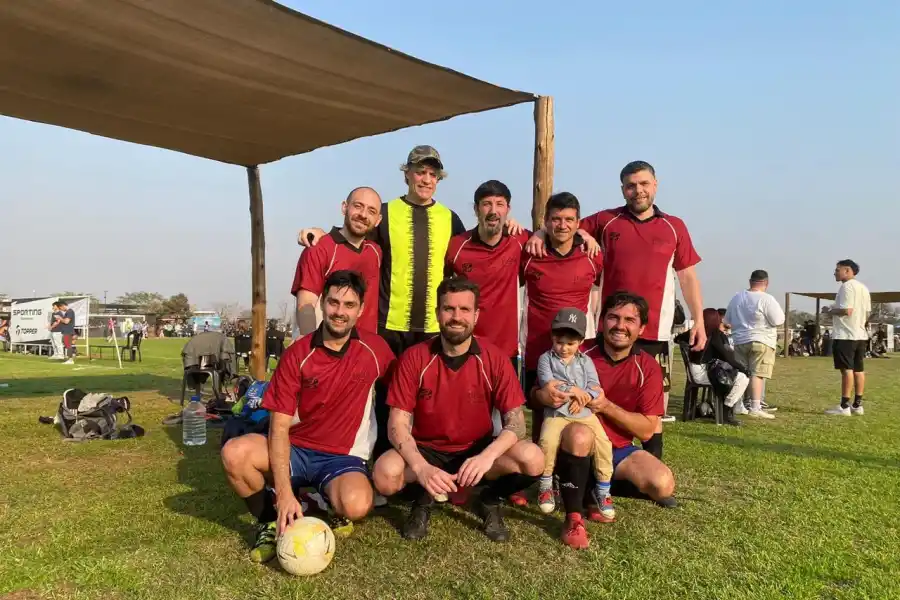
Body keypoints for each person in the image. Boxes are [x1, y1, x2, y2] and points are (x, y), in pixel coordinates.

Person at [220, 271, 395, 563]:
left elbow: (405, 388)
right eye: (334, 302)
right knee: (235, 454)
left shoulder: (375, 350)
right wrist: (284, 495)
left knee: (357, 504)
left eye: (349, 305)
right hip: (296, 448)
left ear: (361, 310)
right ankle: (269, 519)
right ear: (322, 304)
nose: (340, 312)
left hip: (343, 456)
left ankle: (324, 501)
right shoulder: (297, 354)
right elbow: (278, 428)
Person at [528, 160, 705, 435]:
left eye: (644, 184)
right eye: (631, 186)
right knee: (599, 398)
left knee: (653, 406)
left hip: (654, 332)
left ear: (655, 185)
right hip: (610, 331)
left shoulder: (674, 226)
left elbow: (688, 277)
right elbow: (564, 224)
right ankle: (596, 459)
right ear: (623, 190)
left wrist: (700, 322)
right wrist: (540, 232)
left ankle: (648, 460)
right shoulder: (606, 220)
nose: (638, 191)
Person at [299, 146, 524, 358]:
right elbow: (355, 235)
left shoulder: (450, 218)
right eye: (420, 172)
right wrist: (322, 232)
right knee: (387, 397)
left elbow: (475, 249)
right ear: (407, 174)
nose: (426, 179)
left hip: (434, 328)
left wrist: (507, 225)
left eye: (433, 174)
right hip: (388, 327)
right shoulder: (385, 213)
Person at [372, 278, 543, 542]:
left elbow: (517, 423)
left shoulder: (494, 357)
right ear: (438, 313)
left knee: (533, 459)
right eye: (449, 309)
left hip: (476, 449)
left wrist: (487, 457)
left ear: (475, 316)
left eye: (464, 310)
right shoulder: (415, 357)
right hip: (426, 449)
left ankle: (487, 498)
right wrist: (421, 467)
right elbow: (396, 425)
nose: (456, 317)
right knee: (384, 475)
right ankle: (424, 496)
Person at [533, 291, 676, 549]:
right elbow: (535, 394)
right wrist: (543, 395)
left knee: (662, 485)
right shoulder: (577, 347)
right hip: (573, 437)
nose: (620, 326)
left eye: (629, 320)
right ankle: (574, 517)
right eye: (613, 317)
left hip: (617, 448)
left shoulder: (648, 367)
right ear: (601, 321)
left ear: (641, 328)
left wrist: (606, 406)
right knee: (580, 435)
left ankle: (589, 487)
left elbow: (646, 430)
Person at [535, 308, 614, 520]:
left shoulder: (585, 361)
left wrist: (584, 397)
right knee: (547, 442)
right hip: (557, 413)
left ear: (579, 342)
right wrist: (576, 392)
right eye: (560, 342)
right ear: (553, 338)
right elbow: (550, 386)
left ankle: (603, 489)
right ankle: (545, 486)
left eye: (570, 344)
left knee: (604, 443)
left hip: (584, 413)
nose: (564, 348)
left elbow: (595, 387)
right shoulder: (545, 359)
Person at [444, 180, 530, 366]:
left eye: (500, 204)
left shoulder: (520, 240)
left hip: (507, 349)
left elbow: (557, 233)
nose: (493, 211)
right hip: (465, 345)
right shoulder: (457, 245)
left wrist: (541, 234)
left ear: (508, 209)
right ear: (476, 209)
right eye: (486, 204)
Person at [291, 187, 383, 338]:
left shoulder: (376, 252)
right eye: (358, 206)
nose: (363, 215)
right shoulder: (319, 249)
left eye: (371, 211)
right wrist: (313, 348)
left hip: (364, 350)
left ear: (378, 220)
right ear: (344, 207)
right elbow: (306, 305)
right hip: (328, 347)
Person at [723, 270, 785, 420]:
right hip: (761, 340)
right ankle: (755, 406)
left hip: (739, 340)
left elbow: (727, 320)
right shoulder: (766, 299)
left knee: (741, 373)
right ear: (766, 283)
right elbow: (778, 320)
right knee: (757, 374)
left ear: (750, 282)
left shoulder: (737, 298)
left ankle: (738, 404)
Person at [676, 308, 750, 425]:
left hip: (692, 373)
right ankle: (726, 410)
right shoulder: (716, 335)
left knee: (731, 375)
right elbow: (728, 357)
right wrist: (744, 369)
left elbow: (677, 339)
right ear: (717, 320)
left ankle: (709, 408)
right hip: (704, 374)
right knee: (742, 378)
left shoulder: (694, 331)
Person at [823, 259, 871, 416]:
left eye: (838, 270)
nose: (835, 273)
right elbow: (867, 313)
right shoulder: (864, 288)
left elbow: (847, 310)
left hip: (845, 335)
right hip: (860, 334)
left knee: (847, 370)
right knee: (859, 369)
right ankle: (857, 405)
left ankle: (844, 406)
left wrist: (830, 310)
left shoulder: (846, 287)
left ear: (848, 271)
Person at [55, 300, 76, 364]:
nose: (61, 310)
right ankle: (70, 357)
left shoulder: (70, 311)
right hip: (66, 331)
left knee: (68, 345)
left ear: (63, 306)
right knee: (67, 344)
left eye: (60, 308)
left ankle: (70, 359)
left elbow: (66, 321)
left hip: (68, 331)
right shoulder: (68, 312)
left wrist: (60, 318)